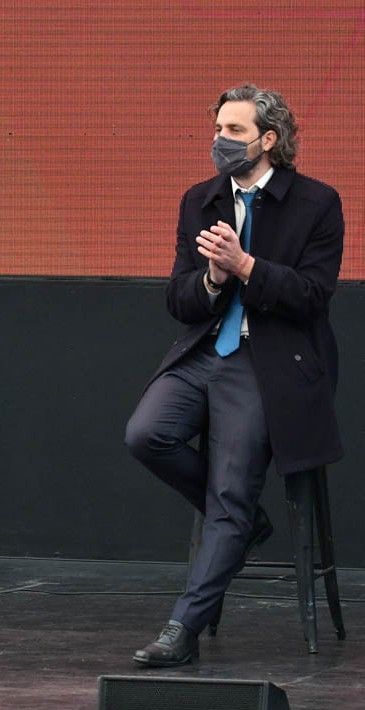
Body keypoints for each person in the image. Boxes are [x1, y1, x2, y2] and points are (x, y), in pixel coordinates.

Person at [124, 84, 344, 666]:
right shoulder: (200, 199)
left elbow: (312, 297)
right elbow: (179, 297)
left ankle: (182, 628)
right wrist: (214, 281)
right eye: (218, 129)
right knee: (146, 434)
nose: (221, 142)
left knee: (228, 490)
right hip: (205, 352)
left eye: (235, 132)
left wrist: (245, 266)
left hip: (270, 362)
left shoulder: (317, 203)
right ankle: (243, 524)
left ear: (268, 140)